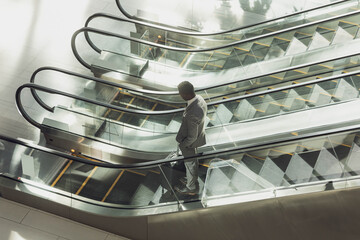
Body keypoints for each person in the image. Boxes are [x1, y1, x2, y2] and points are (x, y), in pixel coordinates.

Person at [174, 81, 207, 195]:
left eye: (180, 93)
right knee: (193, 162)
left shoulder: (192, 113)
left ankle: (191, 188)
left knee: (190, 164)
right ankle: (191, 180)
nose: (180, 95)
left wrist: (183, 145)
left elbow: (191, 137)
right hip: (198, 137)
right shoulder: (200, 99)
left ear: (185, 94)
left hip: (189, 142)